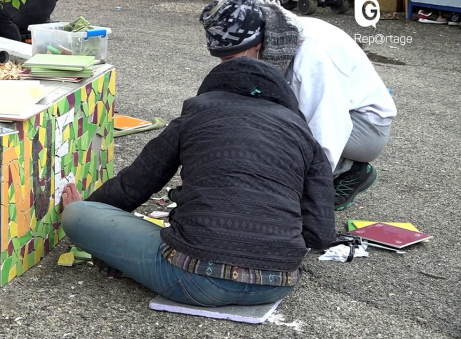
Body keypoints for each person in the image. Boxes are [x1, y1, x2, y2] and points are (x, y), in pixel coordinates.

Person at [61, 57, 336, 307]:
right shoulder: (304, 135)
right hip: (276, 285)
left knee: (77, 214)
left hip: (193, 279)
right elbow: (320, 233)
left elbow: (134, 185)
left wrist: (90, 211)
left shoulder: (197, 113)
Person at [199, 0, 397, 211]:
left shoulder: (313, 54)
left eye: (229, 58)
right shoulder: (273, 33)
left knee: (282, 131)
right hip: (327, 111)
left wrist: (294, 194)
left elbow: (326, 130)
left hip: (365, 127)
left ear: (257, 44)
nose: (223, 63)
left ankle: (350, 170)